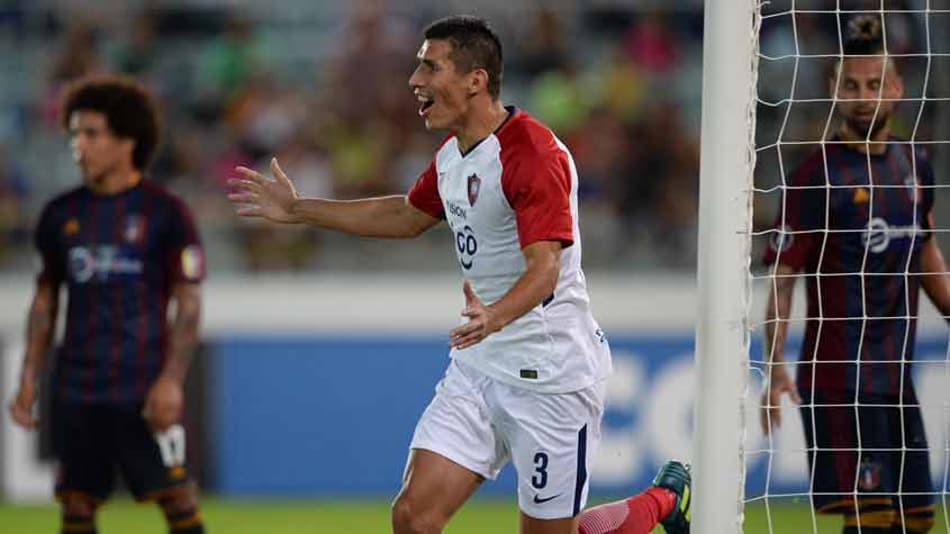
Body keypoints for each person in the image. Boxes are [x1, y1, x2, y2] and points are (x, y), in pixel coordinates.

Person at [227, 15, 690, 534]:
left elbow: (545, 271)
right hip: (480, 367)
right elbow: (406, 215)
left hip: (552, 377)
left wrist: (495, 316)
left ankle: (658, 502)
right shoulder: (454, 157)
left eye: (430, 66)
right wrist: (299, 211)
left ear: (476, 79)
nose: (414, 81)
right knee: (412, 517)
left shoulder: (532, 155)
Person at [760, 15, 950, 534]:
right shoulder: (815, 175)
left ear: (895, 88)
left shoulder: (916, 165)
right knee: (870, 525)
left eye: (873, 84)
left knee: (914, 524)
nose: (863, 96)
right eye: (851, 85)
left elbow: (925, 249)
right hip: (840, 380)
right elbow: (783, 277)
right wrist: (775, 362)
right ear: (833, 89)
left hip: (896, 379)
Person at [8, 75, 207, 534]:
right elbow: (44, 303)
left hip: (144, 388)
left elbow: (189, 304)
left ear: (127, 141)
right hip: (77, 389)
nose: (78, 145)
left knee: (179, 502)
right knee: (76, 506)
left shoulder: (166, 213)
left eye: (91, 134)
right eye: (74, 134)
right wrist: (28, 376)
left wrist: (172, 382)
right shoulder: (60, 215)